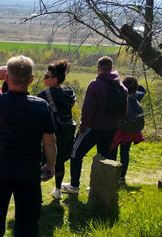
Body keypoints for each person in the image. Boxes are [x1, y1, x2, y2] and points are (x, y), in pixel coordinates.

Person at [0, 55, 57, 237]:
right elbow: (49, 141)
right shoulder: (41, 106)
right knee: (27, 225)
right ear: (31, 79)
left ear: (7, 77)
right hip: (28, 172)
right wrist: (50, 165)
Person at [62, 56, 128, 194]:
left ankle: (74, 185)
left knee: (75, 152)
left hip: (94, 127)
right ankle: (99, 187)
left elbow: (88, 109)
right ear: (111, 68)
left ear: (98, 69)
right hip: (111, 128)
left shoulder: (95, 84)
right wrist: (117, 124)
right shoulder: (121, 86)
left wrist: (82, 127)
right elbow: (124, 110)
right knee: (104, 157)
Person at [37, 60, 76, 200]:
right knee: (59, 161)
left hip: (51, 133)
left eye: (47, 76)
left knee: (42, 162)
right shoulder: (70, 92)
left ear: (55, 79)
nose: (44, 79)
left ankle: (37, 194)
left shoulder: (44, 95)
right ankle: (58, 190)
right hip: (66, 132)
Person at [110, 76, 146, 183]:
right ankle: (122, 177)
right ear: (135, 87)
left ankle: (112, 175)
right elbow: (143, 90)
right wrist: (137, 86)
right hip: (130, 132)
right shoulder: (137, 96)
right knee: (125, 154)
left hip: (118, 130)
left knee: (113, 152)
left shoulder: (120, 96)